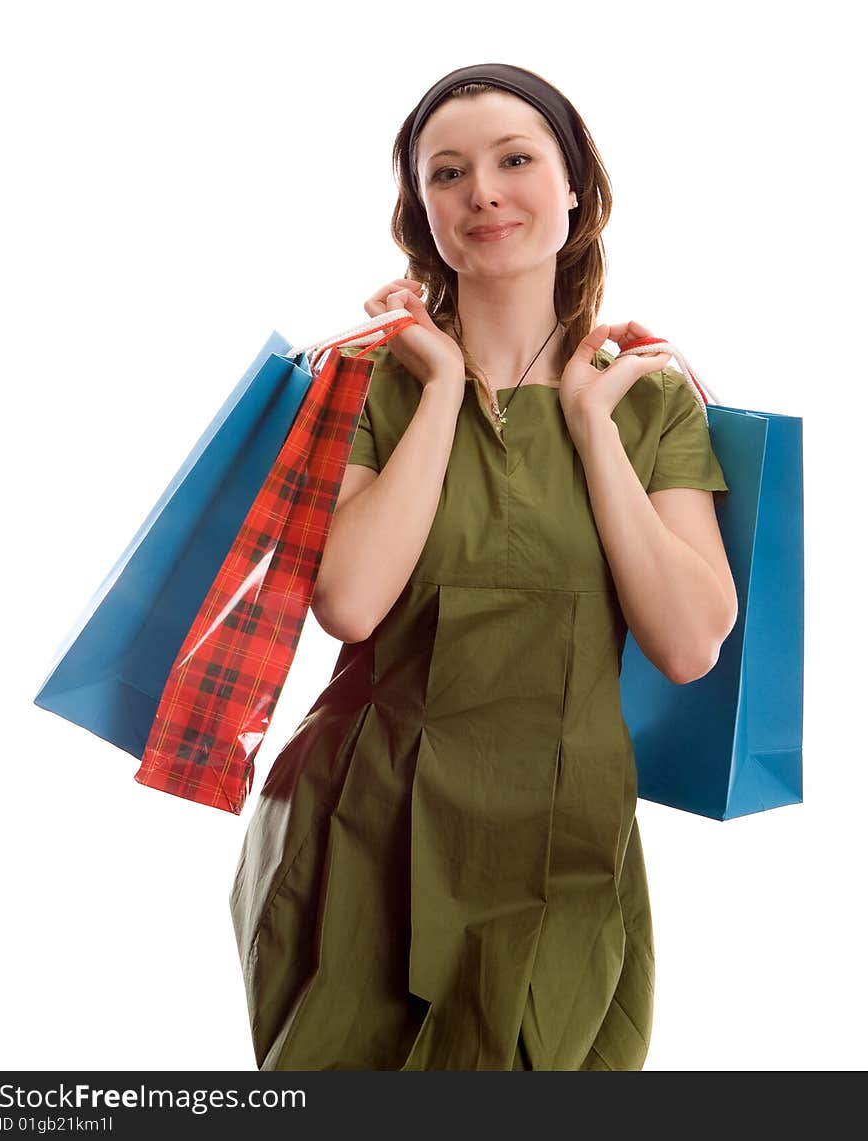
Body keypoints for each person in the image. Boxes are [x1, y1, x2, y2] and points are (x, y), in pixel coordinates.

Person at [228, 62, 738, 1071]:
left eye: (515, 159)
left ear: (574, 185)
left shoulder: (647, 398)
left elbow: (687, 644)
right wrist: (443, 386)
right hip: (361, 825)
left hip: (561, 836)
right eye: (447, 173)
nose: (484, 193)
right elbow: (351, 602)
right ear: (421, 212)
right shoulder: (368, 378)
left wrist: (593, 429)